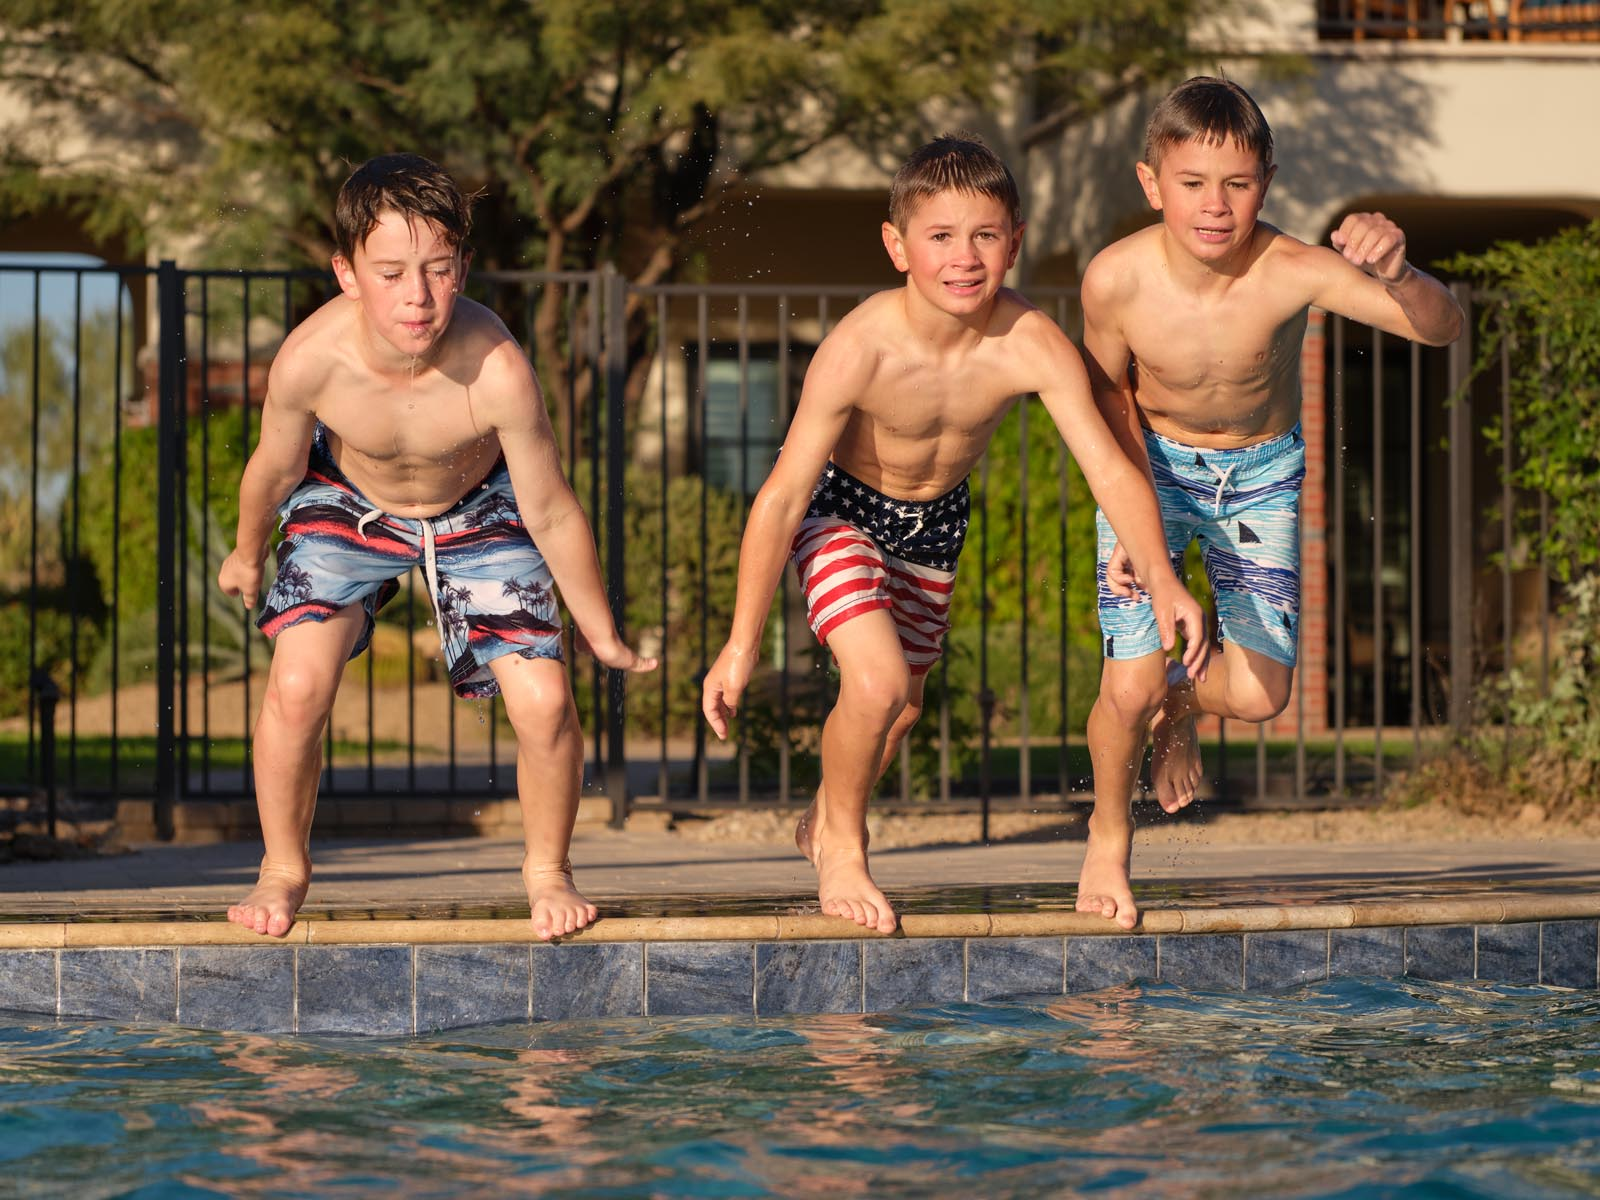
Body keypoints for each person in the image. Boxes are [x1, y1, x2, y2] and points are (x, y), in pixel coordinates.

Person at [701, 133, 1208, 934]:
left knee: (899, 712)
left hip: (935, 527)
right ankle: (843, 847)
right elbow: (781, 496)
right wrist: (739, 643)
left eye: (984, 235)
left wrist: (1165, 575)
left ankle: (825, 815)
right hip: (845, 512)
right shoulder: (859, 349)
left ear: (1014, 242)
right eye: (940, 236)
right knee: (873, 685)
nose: (964, 257)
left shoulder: (1029, 342)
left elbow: (1110, 471)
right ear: (897, 247)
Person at [217, 153, 655, 940]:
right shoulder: (311, 361)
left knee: (547, 702)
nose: (417, 296)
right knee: (295, 686)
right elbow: (275, 467)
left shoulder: (496, 367)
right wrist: (249, 552)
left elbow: (549, 509)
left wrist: (597, 629)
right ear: (347, 273)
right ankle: (283, 868)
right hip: (348, 506)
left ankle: (548, 869)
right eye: (390, 273)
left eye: (439, 269)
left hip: (478, 510)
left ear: (464, 266)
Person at [1078, 77, 1464, 929]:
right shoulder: (1116, 280)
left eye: (1238, 184)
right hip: (1150, 468)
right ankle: (1109, 833)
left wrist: (1402, 275)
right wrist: (1136, 526)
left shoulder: (1294, 270)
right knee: (1131, 681)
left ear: (1268, 181)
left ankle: (1184, 704)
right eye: (1191, 184)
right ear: (1152, 183)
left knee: (1257, 696)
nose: (1215, 207)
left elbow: (1440, 329)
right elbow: (1106, 401)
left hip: (1259, 476)